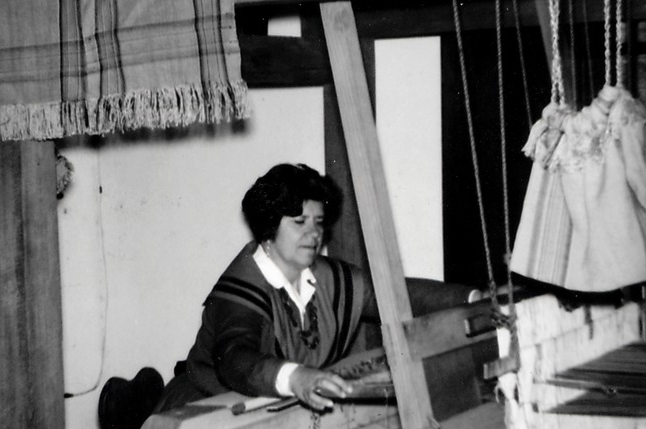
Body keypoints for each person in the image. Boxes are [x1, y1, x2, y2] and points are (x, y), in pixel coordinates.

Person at [157, 162, 474, 414]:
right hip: (205, 408)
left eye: (318, 222)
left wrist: (473, 298)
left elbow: (392, 293)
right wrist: (295, 377)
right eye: (299, 222)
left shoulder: (324, 277)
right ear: (268, 228)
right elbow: (234, 357)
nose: (313, 234)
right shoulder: (240, 288)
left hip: (270, 408)